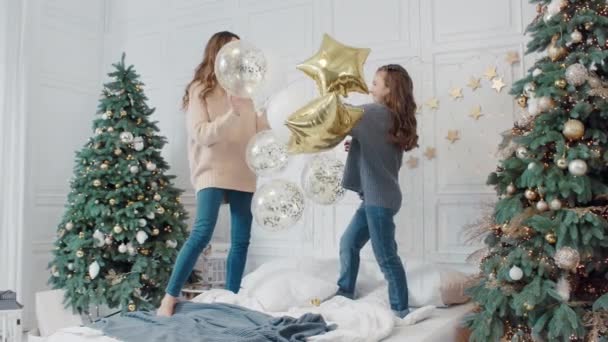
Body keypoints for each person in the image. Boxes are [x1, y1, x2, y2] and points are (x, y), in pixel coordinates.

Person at [157, 31, 269, 316]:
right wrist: (232, 114)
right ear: (217, 55)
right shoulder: (200, 89)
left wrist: (270, 113)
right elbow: (201, 135)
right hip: (212, 169)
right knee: (202, 232)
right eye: (232, 50)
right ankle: (169, 297)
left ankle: (231, 300)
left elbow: (258, 134)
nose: (239, 56)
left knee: (241, 239)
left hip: (244, 169)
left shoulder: (248, 89)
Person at [338, 64, 418, 318]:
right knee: (349, 242)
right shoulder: (391, 117)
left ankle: (400, 310)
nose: (370, 86)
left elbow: (339, 117)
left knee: (386, 257)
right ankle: (345, 293)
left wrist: (332, 93)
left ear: (388, 89)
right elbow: (377, 147)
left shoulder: (373, 113)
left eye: (375, 82)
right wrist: (360, 146)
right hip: (381, 197)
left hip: (379, 200)